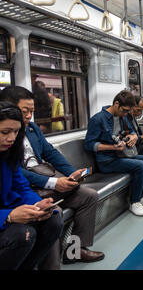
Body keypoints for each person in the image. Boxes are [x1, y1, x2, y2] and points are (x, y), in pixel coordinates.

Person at [0, 86, 104, 266]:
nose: (28, 116)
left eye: (31, 112)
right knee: (52, 216)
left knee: (87, 197)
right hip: (37, 185)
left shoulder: (31, 130)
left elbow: (50, 153)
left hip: (38, 188)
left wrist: (72, 173)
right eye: (25, 111)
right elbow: (22, 174)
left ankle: (75, 250)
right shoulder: (8, 143)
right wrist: (52, 183)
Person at [0, 101, 63, 270]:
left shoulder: (8, 155)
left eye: (16, 132)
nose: (12, 138)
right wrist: (8, 216)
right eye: (5, 132)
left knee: (53, 220)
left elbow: (22, 187)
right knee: (23, 235)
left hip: (7, 213)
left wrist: (37, 205)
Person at [85, 90, 143, 217]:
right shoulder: (98, 120)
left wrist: (133, 137)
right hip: (107, 161)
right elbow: (89, 144)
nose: (125, 113)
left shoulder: (123, 117)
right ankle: (134, 202)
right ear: (116, 104)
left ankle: (142, 196)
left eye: (127, 111)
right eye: (124, 110)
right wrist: (112, 147)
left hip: (122, 155)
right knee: (141, 166)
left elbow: (132, 132)